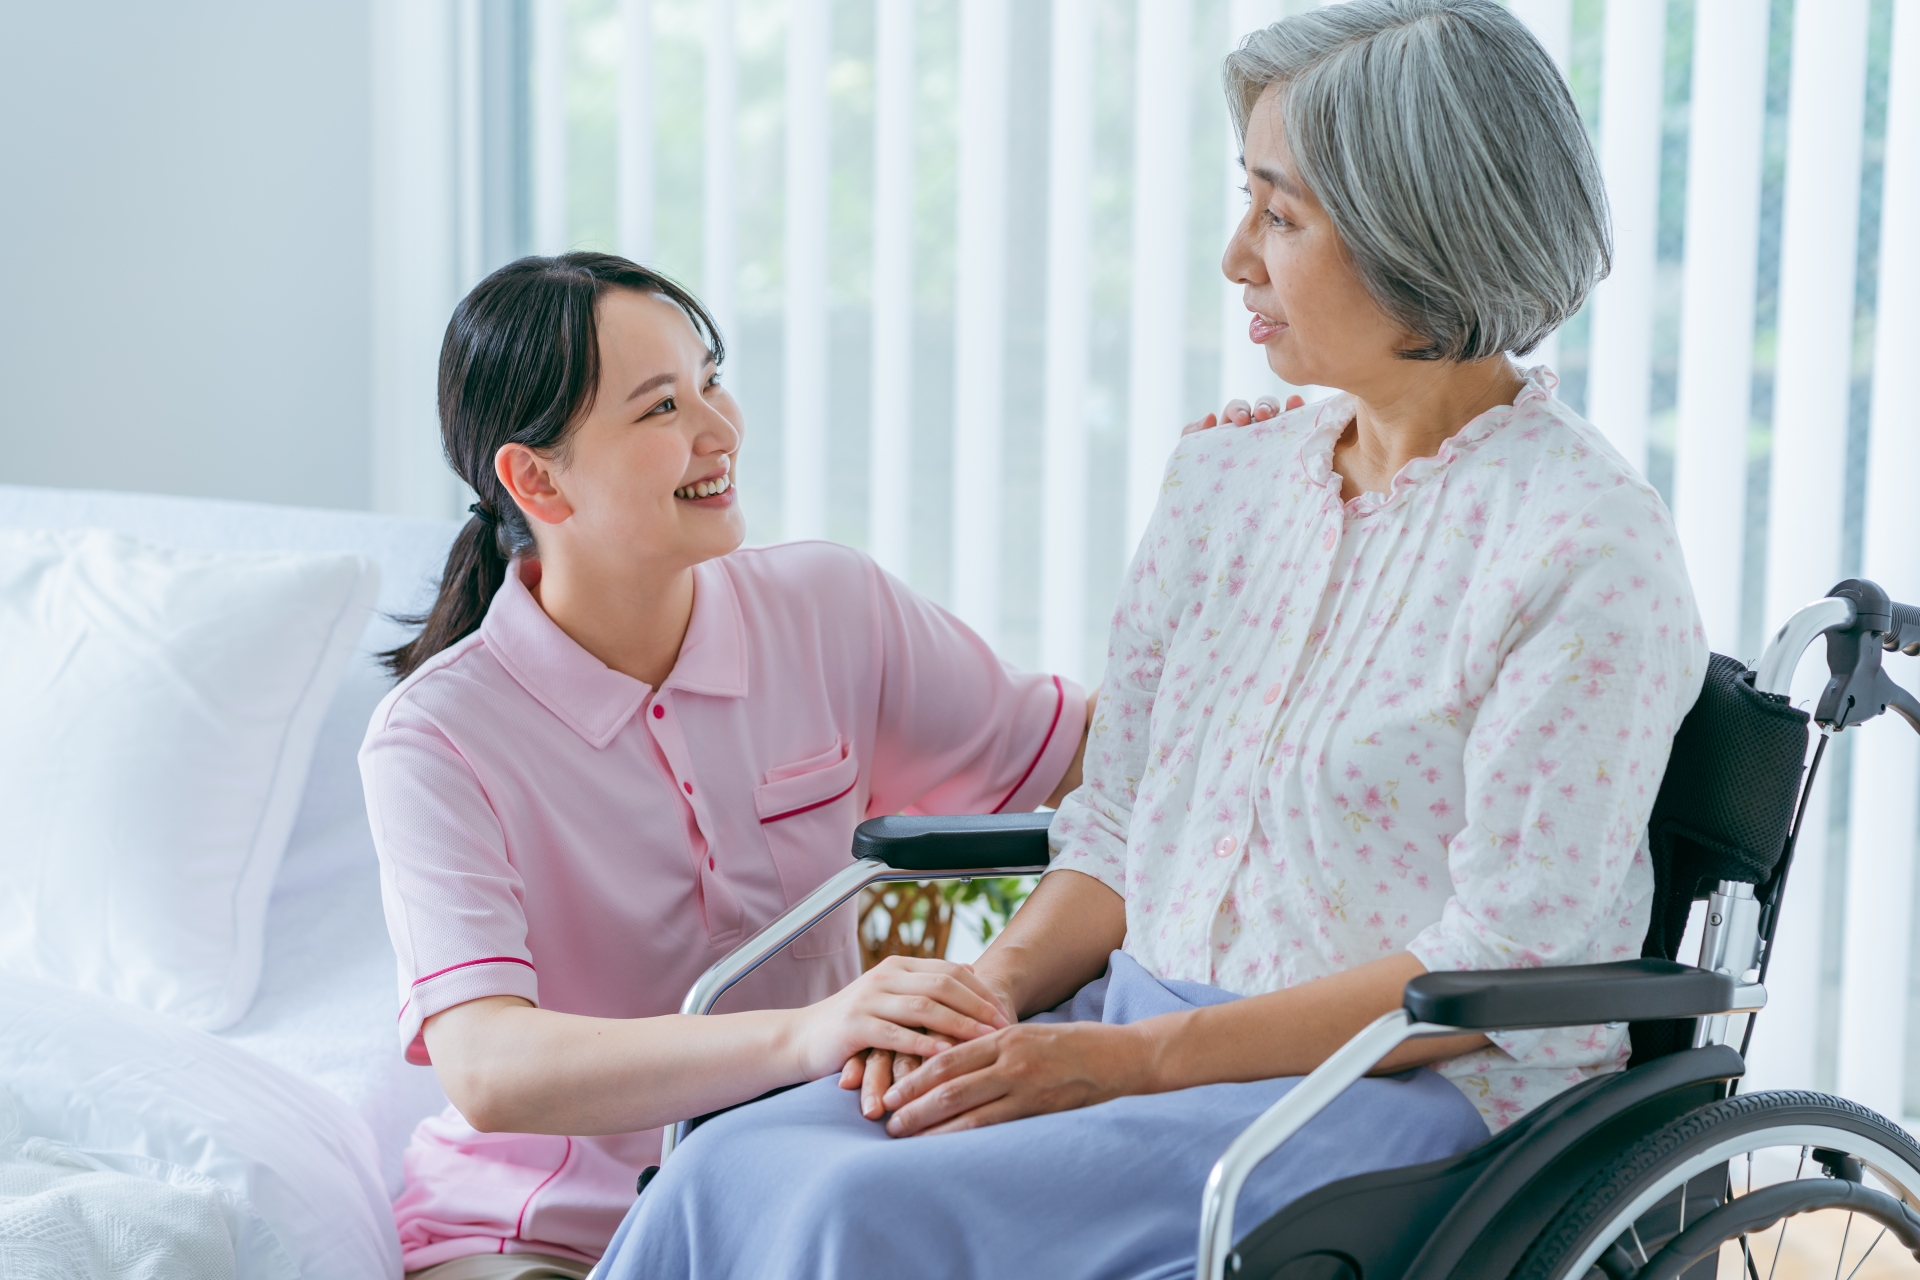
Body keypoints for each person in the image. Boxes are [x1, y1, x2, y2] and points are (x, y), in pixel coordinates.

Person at [599, 2, 1709, 1276]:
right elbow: (1120, 817)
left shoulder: (1580, 547)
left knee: (857, 1216)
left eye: (1280, 216)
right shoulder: (1226, 482)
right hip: (1129, 1024)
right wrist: (996, 992)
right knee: (732, 1163)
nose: (1238, 255)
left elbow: (1500, 957)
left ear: (1425, 238)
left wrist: (1121, 1064)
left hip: (1392, 1091)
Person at [360, 253, 1097, 1278]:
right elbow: (487, 1063)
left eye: (711, 379)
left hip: (809, 1186)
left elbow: (1092, 764)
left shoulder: (831, 609)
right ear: (536, 478)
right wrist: (813, 1033)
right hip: (547, 1232)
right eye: (663, 406)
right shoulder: (436, 736)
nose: (720, 430)